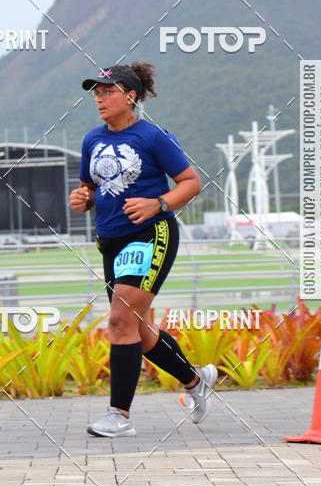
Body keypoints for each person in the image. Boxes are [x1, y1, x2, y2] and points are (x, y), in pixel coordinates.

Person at [69, 62, 218, 438]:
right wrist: (82, 198)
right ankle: (195, 379)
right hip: (110, 241)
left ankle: (119, 415)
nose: (100, 98)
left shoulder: (153, 137)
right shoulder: (92, 140)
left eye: (108, 91)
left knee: (120, 322)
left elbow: (191, 182)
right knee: (137, 328)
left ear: (131, 96)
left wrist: (159, 203)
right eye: (96, 93)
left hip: (150, 235)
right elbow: (90, 187)